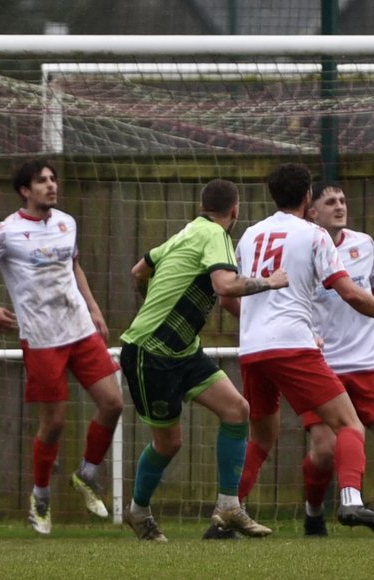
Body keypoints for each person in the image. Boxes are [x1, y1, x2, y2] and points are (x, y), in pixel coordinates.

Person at [228, 163, 374, 536]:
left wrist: (258, 324)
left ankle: (227, 511)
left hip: (252, 348)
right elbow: (349, 292)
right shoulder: (313, 235)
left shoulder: (249, 235)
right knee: (349, 424)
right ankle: (351, 501)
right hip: (294, 346)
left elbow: (231, 294)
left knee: (261, 436)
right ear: (308, 198)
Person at [119, 179, 287, 542]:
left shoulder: (186, 232)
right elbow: (225, 286)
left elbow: (139, 271)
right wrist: (271, 282)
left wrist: (153, 300)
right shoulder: (215, 235)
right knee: (169, 444)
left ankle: (228, 505)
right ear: (235, 210)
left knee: (237, 411)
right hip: (152, 352)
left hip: (183, 350)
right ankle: (138, 510)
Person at [0, 159, 124, 535]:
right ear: (25, 190)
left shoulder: (67, 223)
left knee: (113, 402)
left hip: (80, 330)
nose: (51, 186)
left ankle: (86, 474)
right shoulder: (7, 232)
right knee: (52, 425)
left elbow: (74, 267)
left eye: (53, 179)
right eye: (41, 181)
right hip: (42, 338)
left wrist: (94, 308)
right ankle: (40, 497)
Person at [294, 181, 374, 536]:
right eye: (330, 201)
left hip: (365, 363)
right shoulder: (302, 249)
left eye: (343, 200)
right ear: (312, 211)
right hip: (320, 365)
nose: (340, 206)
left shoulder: (364, 244)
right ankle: (314, 512)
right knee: (325, 449)